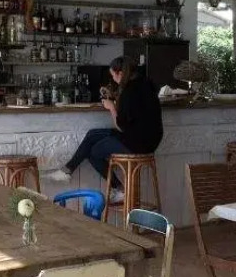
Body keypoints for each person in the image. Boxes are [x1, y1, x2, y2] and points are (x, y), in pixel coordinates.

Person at [48, 56, 163, 202]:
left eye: (113, 75)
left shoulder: (129, 91)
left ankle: (119, 189)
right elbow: (134, 113)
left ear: (120, 73)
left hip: (136, 143)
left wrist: (111, 107)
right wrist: (114, 96)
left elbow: (121, 126)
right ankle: (67, 170)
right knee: (93, 134)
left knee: (93, 152)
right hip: (150, 140)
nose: (113, 79)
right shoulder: (145, 84)